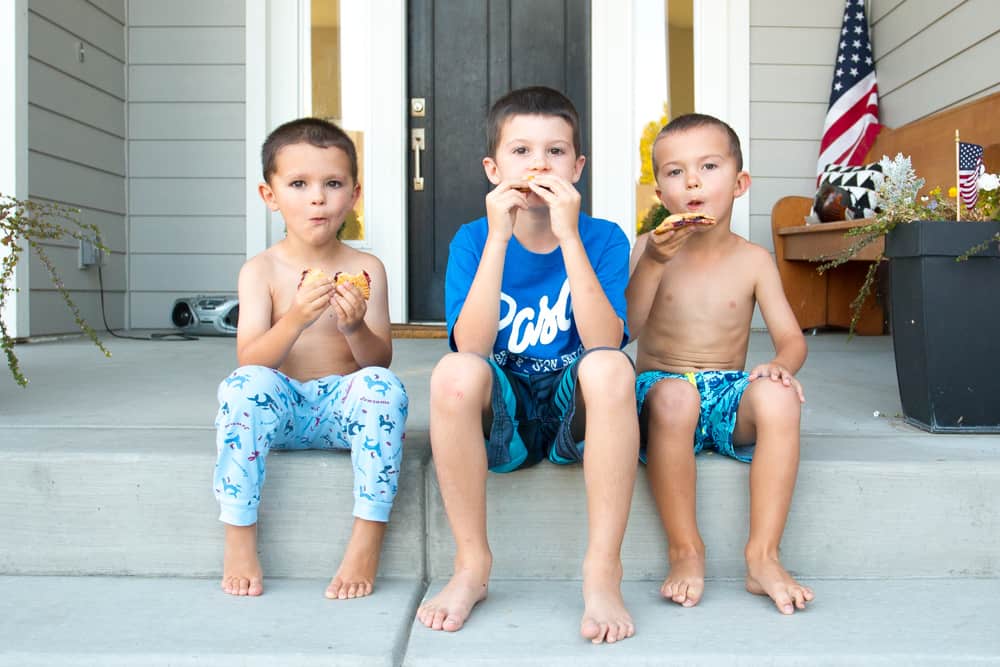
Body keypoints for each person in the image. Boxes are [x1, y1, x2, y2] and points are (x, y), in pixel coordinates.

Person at [416, 86, 639, 644]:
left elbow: (604, 340)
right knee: (454, 374)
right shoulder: (472, 240)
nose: (539, 163)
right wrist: (498, 236)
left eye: (556, 151)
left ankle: (602, 570)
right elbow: (468, 346)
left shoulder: (604, 238)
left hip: (573, 411)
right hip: (506, 414)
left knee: (611, 369)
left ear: (578, 166)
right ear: (494, 169)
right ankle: (472, 564)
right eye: (521, 151)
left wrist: (568, 234)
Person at [626, 113, 814, 615]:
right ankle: (686, 549)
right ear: (660, 192)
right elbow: (629, 327)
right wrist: (654, 263)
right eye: (674, 171)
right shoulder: (647, 249)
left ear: (739, 183)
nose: (691, 180)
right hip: (661, 392)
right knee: (676, 395)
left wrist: (779, 366)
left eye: (708, 166)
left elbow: (792, 340)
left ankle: (763, 555)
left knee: (778, 397)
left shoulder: (753, 260)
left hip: (728, 392)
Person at [213, 117, 408, 599]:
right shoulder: (261, 270)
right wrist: (297, 317)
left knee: (386, 390)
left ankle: (367, 536)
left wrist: (353, 326)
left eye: (332, 184)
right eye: (299, 184)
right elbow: (251, 359)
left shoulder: (367, 269)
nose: (317, 198)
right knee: (241, 388)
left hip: (343, 408)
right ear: (270, 195)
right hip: (283, 408)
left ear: (354, 195)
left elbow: (378, 362)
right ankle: (239, 537)